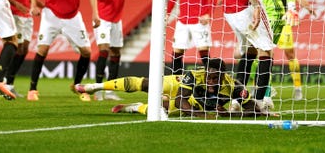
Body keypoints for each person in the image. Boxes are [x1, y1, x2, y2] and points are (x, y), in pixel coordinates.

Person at [74, 58, 277, 117]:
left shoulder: (232, 86)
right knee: (147, 84)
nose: (211, 80)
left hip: (192, 103)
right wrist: (200, 115)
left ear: (224, 76)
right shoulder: (193, 75)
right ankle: (94, 86)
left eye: (216, 77)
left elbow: (250, 106)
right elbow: (181, 99)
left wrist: (242, 114)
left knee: (162, 110)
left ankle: (132, 107)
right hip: (178, 85)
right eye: (209, 76)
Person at [91, 0, 151, 100]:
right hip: (102, 18)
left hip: (117, 19)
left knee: (116, 52)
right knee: (104, 49)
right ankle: (97, 89)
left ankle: (110, 90)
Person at [254, 0, 314, 102]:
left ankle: (298, 88)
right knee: (266, 53)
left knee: (290, 54)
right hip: (266, 19)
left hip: (283, 21)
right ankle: (266, 89)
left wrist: (308, 7)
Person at [3, 0, 38, 98]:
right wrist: (16, 4)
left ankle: (9, 82)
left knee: (24, 49)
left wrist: (40, 4)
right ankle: (5, 81)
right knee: (16, 48)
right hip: (15, 14)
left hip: (27, 15)